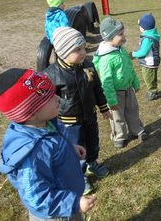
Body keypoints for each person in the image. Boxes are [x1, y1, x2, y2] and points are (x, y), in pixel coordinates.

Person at [0, 68, 96, 220]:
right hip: (56, 213)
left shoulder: (46, 122)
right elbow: (37, 197)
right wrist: (73, 203)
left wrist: (70, 148)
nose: (58, 98)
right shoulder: (32, 153)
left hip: (68, 199)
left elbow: (54, 143)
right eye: (48, 98)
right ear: (30, 111)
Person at [44, 27, 111, 196]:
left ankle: (92, 162)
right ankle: (79, 176)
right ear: (63, 52)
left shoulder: (87, 66)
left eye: (84, 48)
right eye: (78, 49)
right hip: (69, 123)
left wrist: (103, 108)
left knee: (92, 141)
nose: (84, 52)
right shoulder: (52, 75)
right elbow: (47, 102)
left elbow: (97, 88)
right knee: (76, 150)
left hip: (90, 116)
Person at [93, 17, 147, 148]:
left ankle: (137, 130)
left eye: (123, 33)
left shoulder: (121, 49)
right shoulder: (106, 58)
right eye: (120, 34)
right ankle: (119, 136)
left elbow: (129, 67)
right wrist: (111, 100)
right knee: (117, 116)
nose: (124, 37)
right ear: (110, 37)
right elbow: (106, 81)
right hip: (115, 93)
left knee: (133, 110)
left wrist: (135, 82)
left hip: (127, 88)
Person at [131, 14, 161, 101]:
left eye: (140, 26)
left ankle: (152, 92)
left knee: (148, 78)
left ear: (144, 28)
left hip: (149, 63)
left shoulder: (148, 39)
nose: (139, 27)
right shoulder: (152, 35)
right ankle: (154, 90)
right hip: (152, 61)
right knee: (152, 77)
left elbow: (143, 52)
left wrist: (133, 54)